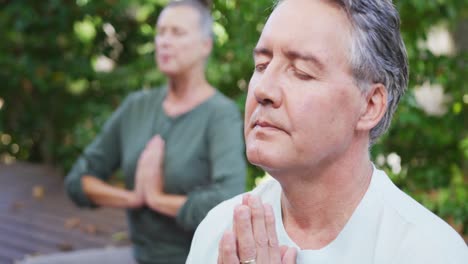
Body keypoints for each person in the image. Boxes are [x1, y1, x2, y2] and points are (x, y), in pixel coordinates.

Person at [186, 0, 468, 263]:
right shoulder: (221, 232)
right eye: (261, 65)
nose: (263, 89)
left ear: (369, 105)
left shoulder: (428, 251)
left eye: (301, 72)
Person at [20, 1, 246, 264]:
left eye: (177, 33)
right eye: (161, 32)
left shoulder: (220, 114)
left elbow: (228, 201)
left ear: (205, 45)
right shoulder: (137, 107)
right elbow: (79, 180)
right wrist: (133, 198)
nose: (164, 41)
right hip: (139, 256)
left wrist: (158, 199)